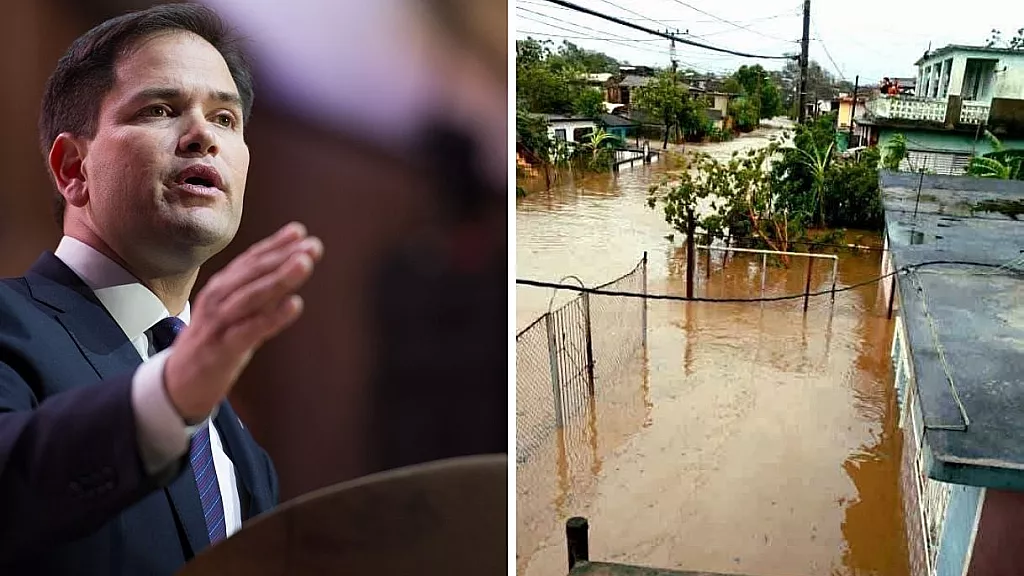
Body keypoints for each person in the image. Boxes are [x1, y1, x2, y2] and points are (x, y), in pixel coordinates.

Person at [0, 4, 322, 574]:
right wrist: (170, 395)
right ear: (73, 167)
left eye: (226, 119)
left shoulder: (241, 450)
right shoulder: (11, 324)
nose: (203, 135)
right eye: (161, 109)